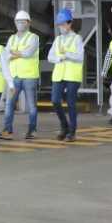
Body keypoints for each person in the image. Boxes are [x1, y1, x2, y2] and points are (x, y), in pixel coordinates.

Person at [3, 9, 39, 139]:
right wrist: (19, 54)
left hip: (29, 76)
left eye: (22, 21)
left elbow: (28, 53)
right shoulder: (12, 38)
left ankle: (32, 130)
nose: (20, 24)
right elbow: (6, 55)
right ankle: (7, 129)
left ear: (28, 23)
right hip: (14, 77)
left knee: (31, 106)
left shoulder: (33, 37)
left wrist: (14, 53)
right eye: (18, 21)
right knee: (9, 104)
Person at [48, 9, 83, 141]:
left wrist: (66, 55)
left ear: (70, 24)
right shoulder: (58, 40)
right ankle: (65, 125)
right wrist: (59, 58)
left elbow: (80, 57)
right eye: (59, 25)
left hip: (72, 76)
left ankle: (72, 132)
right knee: (55, 101)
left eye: (63, 24)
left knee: (70, 103)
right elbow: (50, 56)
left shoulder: (77, 39)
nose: (61, 27)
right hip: (59, 75)